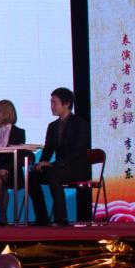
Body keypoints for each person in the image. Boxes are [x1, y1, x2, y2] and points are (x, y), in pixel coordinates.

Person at [27, 87, 91, 226]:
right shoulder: (53, 126)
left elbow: (78, 152)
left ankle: (61, 218)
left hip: (77, 168)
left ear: (67, 103)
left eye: (54, 102)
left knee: (52, 173)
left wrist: (53, 164)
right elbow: (48, 149)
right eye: (51, 102)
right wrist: (41, 163)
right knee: (32, 176)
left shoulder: (80, 124)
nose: (52, 106)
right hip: (57, 168)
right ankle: (42, 217)